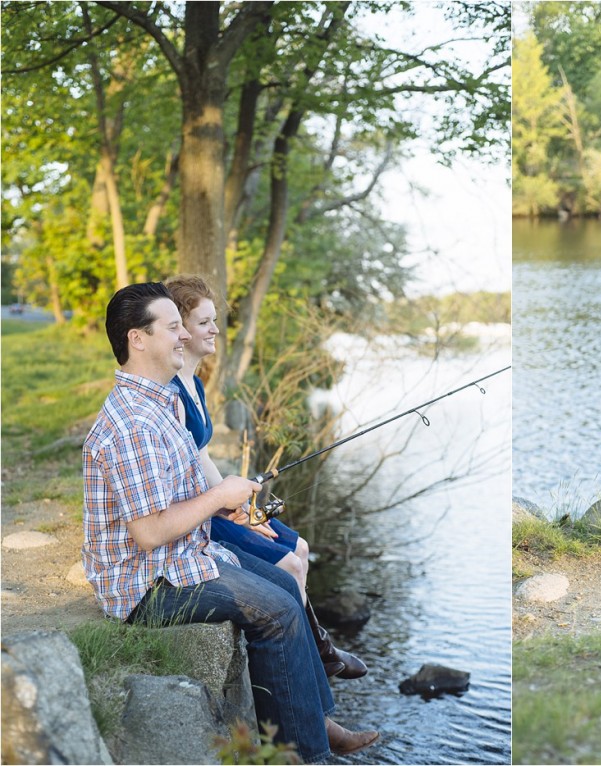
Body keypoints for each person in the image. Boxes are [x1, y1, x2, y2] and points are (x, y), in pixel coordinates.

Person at [82, 283, 379, 763]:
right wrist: (219, 494)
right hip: (145, 583)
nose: (184, 335)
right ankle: (306, 754)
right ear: (138, 339)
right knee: (277, 613)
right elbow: (150, 532)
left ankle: (315, 727)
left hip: (184, 555)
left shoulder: (163, 403)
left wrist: (226, 505)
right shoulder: (131, 423)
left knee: (286, 585)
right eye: (173, 326)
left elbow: (175, 494)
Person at [164, 274, 366, 680]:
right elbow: (182, 480)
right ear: (180, 330)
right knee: (290, 566)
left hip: (218, 506)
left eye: (213, 320)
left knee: (302, 547)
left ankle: (318, 648)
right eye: (204, 322)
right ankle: (313, 658)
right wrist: (228, 512)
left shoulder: (196, 385)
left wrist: (240, 505)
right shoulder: (172, 395)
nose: (215, 329)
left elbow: (202, 456)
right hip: (200, 519)